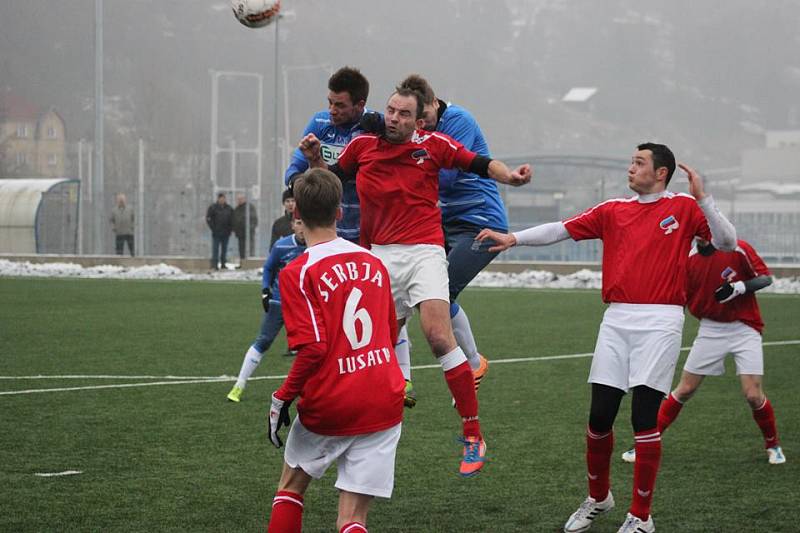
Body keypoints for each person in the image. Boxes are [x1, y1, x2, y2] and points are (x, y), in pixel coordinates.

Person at [476, 143, 737, 532]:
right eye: (631, 161)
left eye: (639, 163)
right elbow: (561, 229)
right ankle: (599, 498)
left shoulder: (683, 207)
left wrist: (704, 198)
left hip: (661, 320)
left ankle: (641, 518)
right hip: (616, 319)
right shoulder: (614, 210)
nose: (631, 168)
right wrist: (514, 238)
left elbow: (727, 242)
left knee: (643, 419)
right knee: (599, 417)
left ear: (661, 172)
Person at [299, 86, 531, 476]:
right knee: (371, 345)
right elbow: (328, 184)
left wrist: (510, 176)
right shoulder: (362, 148)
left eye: (403, 114)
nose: (393, 118)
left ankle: (473, 435)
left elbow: (479, 163)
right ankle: (355, 427)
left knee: (439, 336)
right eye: (390, 110)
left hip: (425, 251)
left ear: (417, 121)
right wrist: (314, 160)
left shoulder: (434, 145)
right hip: (380, 257)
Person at [265, 168, 405, 533]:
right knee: (353, 519)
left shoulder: (297, 272)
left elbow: (312, 348)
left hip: (332, 401)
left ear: (296, 212)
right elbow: (391, 333)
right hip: (381, 397)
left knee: (290, 489)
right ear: (340, 212)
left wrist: (282, 397)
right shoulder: (374, 262)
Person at [385, 74, 507, 406]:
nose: (420, 129)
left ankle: (471, 363)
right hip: (447, 223)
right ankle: (402, 376)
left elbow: (448, 176)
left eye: (423, 121)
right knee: (419, 295)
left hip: (481, 222)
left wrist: (404, 171)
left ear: (434, 105)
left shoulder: (459, 120)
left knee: (441, 291)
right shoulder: (421, 131)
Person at [620, 238, 785, 466]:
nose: (703, 232)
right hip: (711, 328)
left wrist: (739, 288)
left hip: (745, 327)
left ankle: (773, 445)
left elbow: (765, 278)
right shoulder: (688, 259)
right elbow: (678, 296)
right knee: (685, 389)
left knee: (753, 394)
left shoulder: (737, 247)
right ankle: (645, 445)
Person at [284, 66, 370, 243]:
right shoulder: (319, 122)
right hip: (328, 231)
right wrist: (300, 185)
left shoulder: (373, 127)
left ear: (360, 105)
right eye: (330, 102)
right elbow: (293, 170)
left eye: (340, 105)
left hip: (367, 230)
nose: (332, 110)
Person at [227, 218, 306, 403]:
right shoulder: (281, 246)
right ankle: (239, 385)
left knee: (310, 347)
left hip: (303, 305)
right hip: (279, 302)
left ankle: (311, 390)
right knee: (263, 341)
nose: (302, 227)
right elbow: (269, 267)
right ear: (293, 225)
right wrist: (265, 291)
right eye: (298, 223)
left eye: (305, 222)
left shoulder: (316, 247)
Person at [206, 193, 234, 270]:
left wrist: (230, 229)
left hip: (226, 233)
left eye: (223, 198)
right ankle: (214, 264)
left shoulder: (229, 208)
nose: (222, 200)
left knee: (224, 249)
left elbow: (232, 220)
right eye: (220, 198)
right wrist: (213, 228)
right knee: (215, 249)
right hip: (216, 233)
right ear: (218, 199)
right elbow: (209, 218)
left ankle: (223, 264)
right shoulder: (213, 208)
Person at [233, 193, 258, 263]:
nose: (239, 200)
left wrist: (251, 228)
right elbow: (234, 220)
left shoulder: (250, 207)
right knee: (241, 249)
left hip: (249, 232)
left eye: (241, 199)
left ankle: (250, 262)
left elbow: (254, 219)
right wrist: (236, 230)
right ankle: (242, 262)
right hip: (240, 233)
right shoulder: (237, 209)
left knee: (250, 248)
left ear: (244, 199)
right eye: (238, 199)